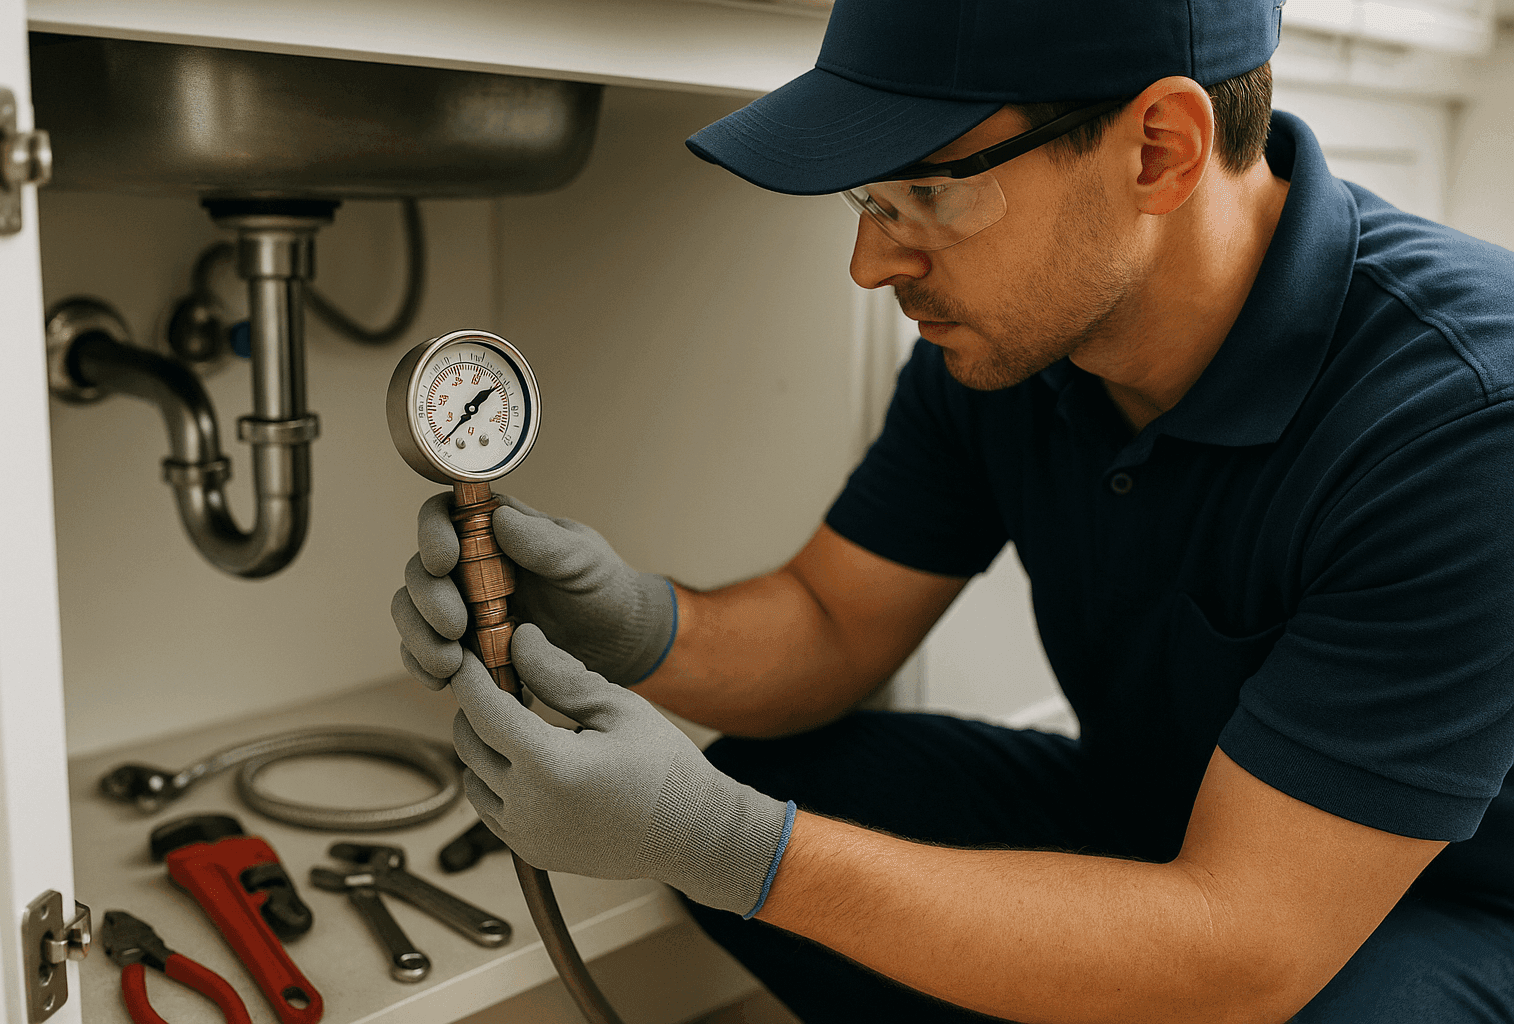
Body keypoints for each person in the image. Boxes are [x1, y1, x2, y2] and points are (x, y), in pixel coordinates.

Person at [391, 0, 1514, 1020]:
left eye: (926, 192)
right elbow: (834, 620)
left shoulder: (1462, 417)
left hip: (1442, 905)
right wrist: (631, 623)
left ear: (1159, 147)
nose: (872, 261)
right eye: (870, 196)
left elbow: (1249, 947)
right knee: (795, 784)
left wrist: (726, 848)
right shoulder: (1019, 336)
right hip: (1168, 818)